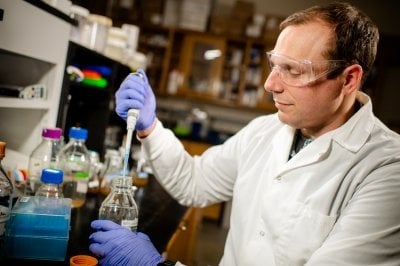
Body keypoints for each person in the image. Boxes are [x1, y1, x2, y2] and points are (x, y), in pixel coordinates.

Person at [89, 2, 400, 265]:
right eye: (274, 65)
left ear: (348, 80)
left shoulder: (387, 170)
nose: (270, 85)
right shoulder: (265, 130)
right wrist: (149, 126)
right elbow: (194, 183)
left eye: (292, 70)